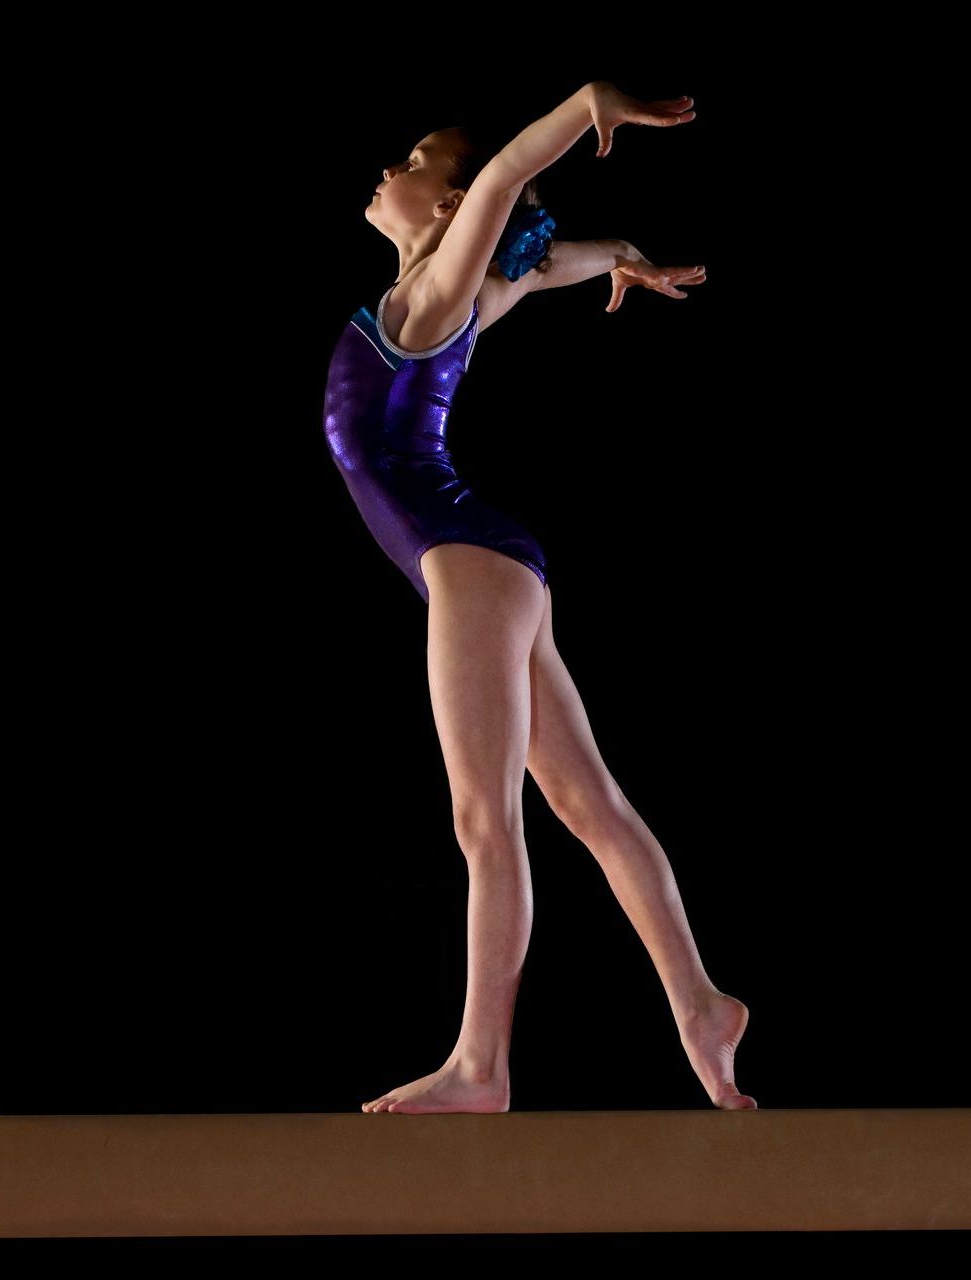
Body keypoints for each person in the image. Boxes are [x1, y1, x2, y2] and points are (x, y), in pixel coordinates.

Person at [322, 81, 756, 1114]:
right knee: (584, 800)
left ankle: (479, 1065)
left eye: (415, 157)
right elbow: (547, 257)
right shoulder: (456, 296)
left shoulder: (429, 304)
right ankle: (700, 1003)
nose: (391, 167)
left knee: (486, 820)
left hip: (466, 560)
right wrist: (619, 259)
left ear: (444, 204)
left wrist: (586, 103)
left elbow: (510, 177)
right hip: (488, 562)